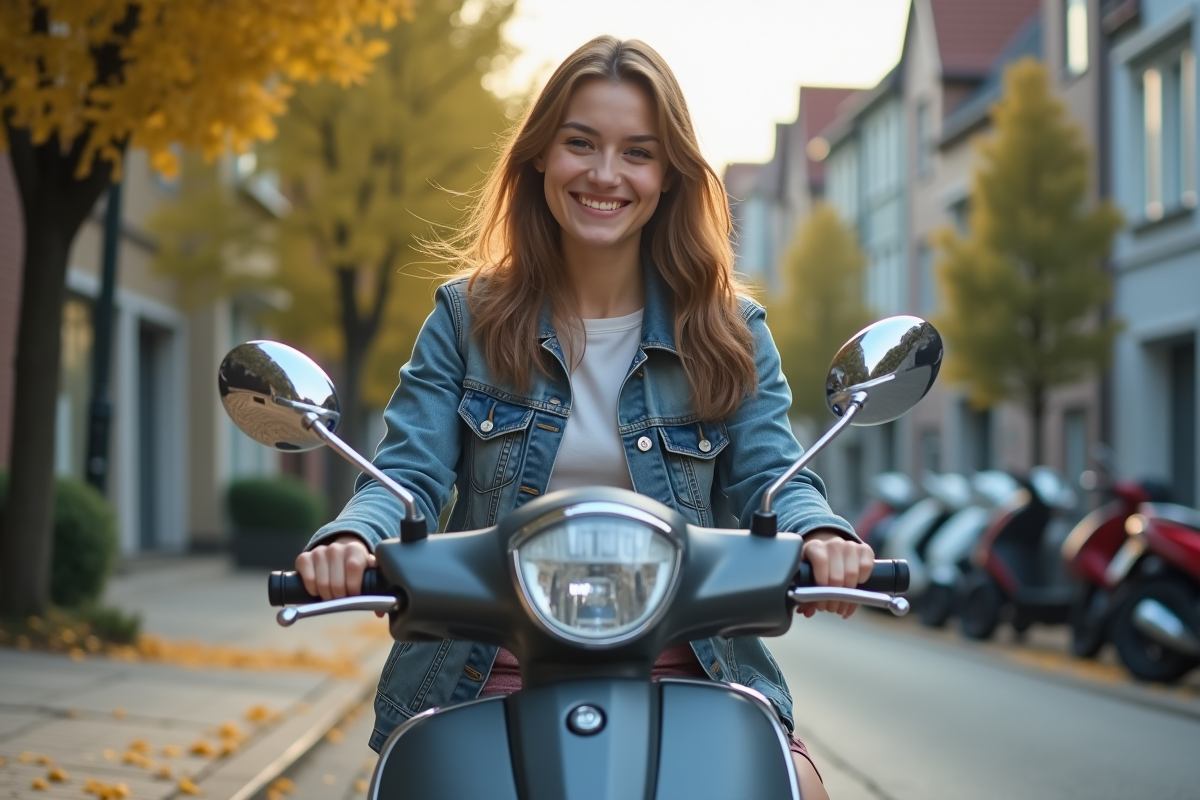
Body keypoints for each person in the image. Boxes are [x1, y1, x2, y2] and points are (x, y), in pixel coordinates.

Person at [295, 35, 874, 800]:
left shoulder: (729, 329)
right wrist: (353, 535)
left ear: (668, 176)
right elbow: (407, 476)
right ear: (540, 156)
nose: (606, 175)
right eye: (580, 144)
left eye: (637, 152)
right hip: (488, 666)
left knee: (799, 786)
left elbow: (775, 477)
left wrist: (822, 533)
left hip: (689, 663)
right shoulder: (466, 317)